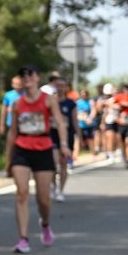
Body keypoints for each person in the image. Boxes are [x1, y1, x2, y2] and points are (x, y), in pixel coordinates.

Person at [6, 65, 70, 253]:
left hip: (43, 147)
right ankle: (23, 239)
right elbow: (12, 132)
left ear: (37, 77)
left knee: (43, 199)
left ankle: (45, 224)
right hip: (22, 149)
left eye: (29, 74)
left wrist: (64, 144)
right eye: (22, 75)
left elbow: (59, 122)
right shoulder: (17, 104)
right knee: (22, 193)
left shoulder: (48, 100)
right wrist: (8, 158)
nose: (26, 78)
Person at [44, 72, 76, 201]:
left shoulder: (70, 103)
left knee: (63, 163)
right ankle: (53, 184)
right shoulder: (50, 100)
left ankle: (60, 190)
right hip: (52, 133)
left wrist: (78, 134)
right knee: (53, 162)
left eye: (63, 85)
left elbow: (74, 120)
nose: (60, 88)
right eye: (58, 85)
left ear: (66, 87)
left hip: (67, 134)